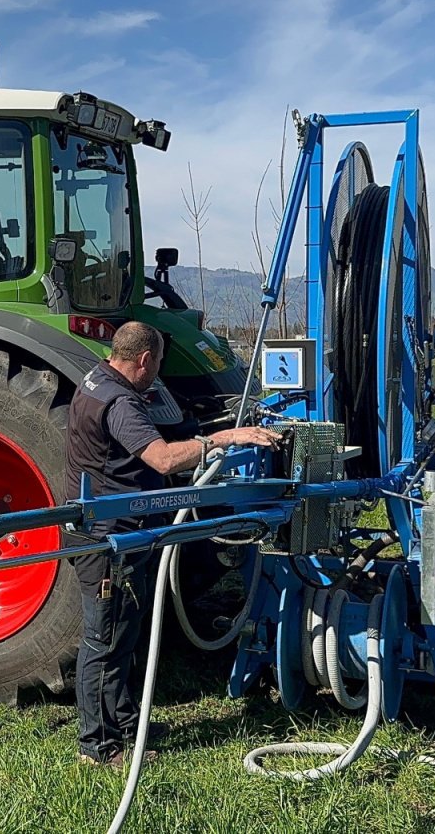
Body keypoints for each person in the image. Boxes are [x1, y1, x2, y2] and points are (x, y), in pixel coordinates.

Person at [63, 320, 284, 767]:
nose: (159, 371)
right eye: (159, 362)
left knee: (123, 633)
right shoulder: (120, 401)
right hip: (110, 539)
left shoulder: (96, 378)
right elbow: (161, 458)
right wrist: (221, 438)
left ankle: (123, 721)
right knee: (103, 641)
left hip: (120, 530)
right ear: (145, 360)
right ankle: (97, 746)